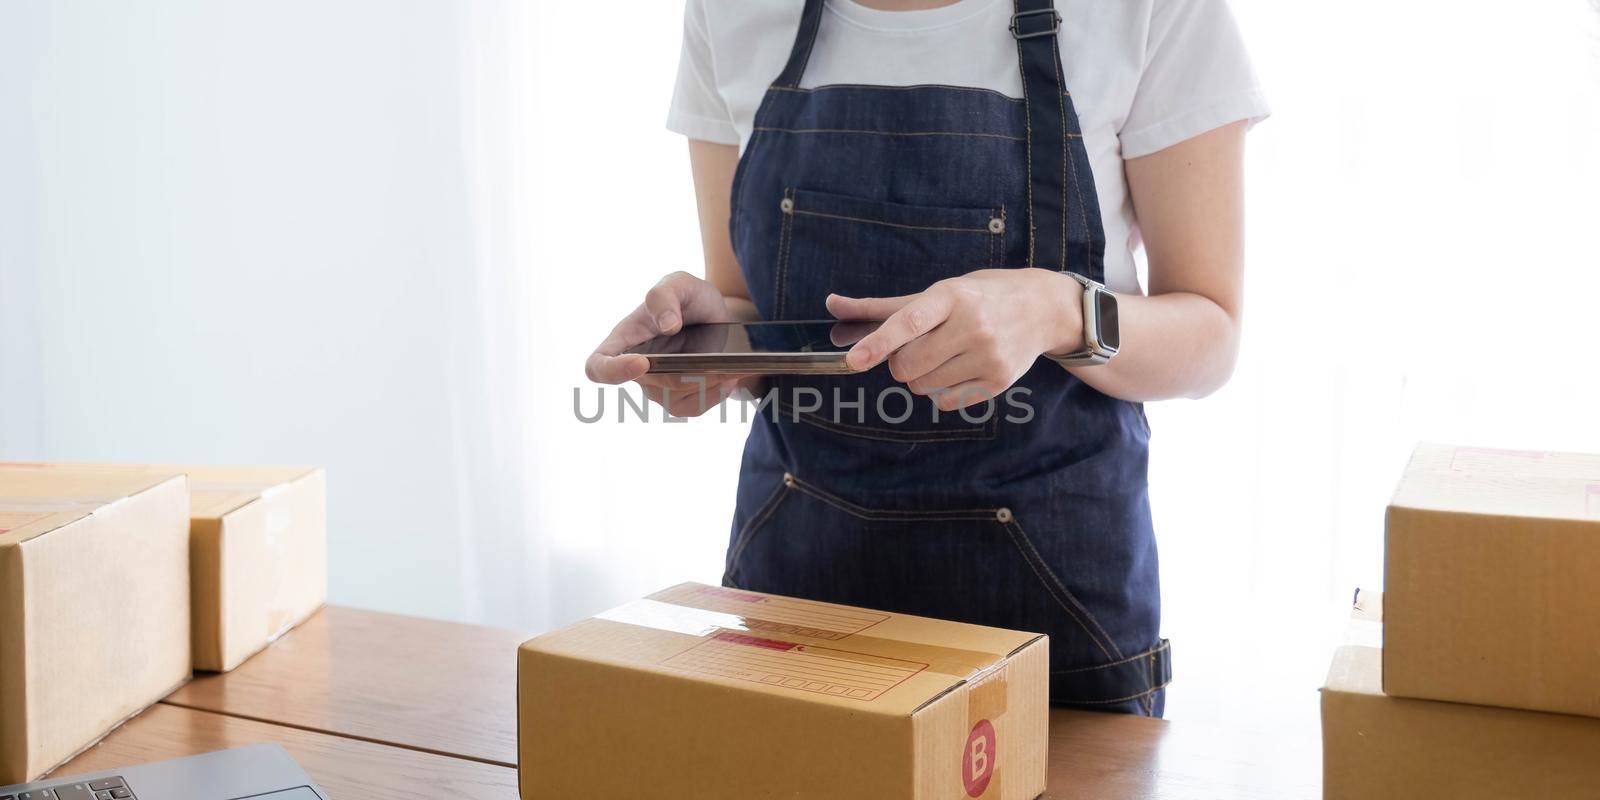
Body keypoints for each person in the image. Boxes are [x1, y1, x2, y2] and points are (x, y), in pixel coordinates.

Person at [586, 0, 1267, 716]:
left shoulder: (1152, 10)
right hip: (796, 599)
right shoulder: (730, 11)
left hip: (1051, 617)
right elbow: (754, 315)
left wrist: (1057, 310)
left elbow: (1211, 332)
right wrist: (707, 348)